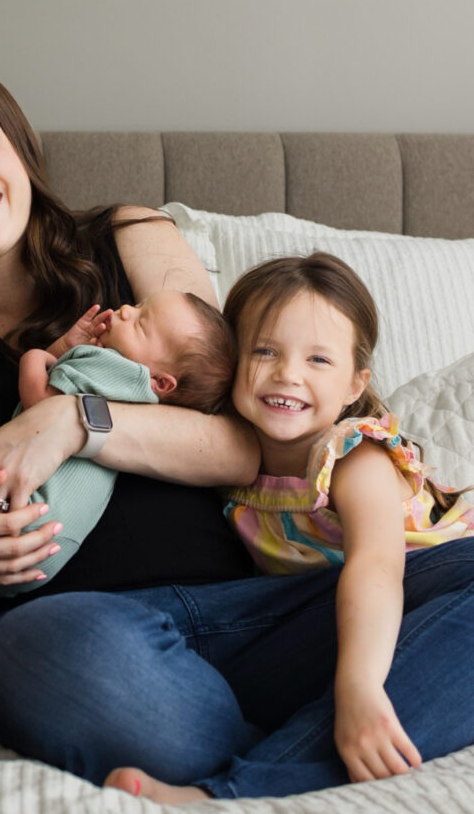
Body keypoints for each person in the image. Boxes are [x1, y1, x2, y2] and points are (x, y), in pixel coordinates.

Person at [0, 55, 474, 794]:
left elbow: (242, 438)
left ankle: (236, 785)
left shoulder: (127, 236)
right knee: (46, 654)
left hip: (258, 612)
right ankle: (309, 742)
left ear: (18, 145)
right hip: (78, 631)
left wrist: (74, 423)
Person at [108, 253, 474, 802]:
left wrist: (359, 685)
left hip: (422, 602)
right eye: (265, 350)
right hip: (317, 631)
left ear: (356, 383)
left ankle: (236, 791)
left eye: (319, 359)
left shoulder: (352, 454)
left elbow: (377, 566)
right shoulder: (219, 458)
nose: (288, 373)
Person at [0, 291, 237, 672]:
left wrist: (36, 355)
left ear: (161, 382)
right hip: (53, 544)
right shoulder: (149, 404)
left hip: (25, 513)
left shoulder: (111, 365)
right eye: (139, 307)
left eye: (142, 323)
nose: (127, 309)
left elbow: (39, 400)